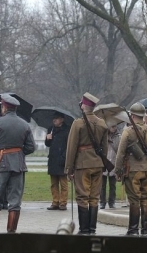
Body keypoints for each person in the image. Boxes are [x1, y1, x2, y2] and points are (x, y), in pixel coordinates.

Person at [0, 94, 36, 233]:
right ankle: (11, 233)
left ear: (4, 107)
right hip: (18, 165)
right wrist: (18, 153)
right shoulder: (24, 124)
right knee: (15, 202)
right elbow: (31, 147)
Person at [64, 92, 108, 235]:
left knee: (82, 197)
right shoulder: (102, 123)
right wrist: (103, 163)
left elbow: (71, 147)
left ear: (83, 106)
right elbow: (105, 148)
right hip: (98, 164)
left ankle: (84, 230)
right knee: (94, 197)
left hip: (82, 164)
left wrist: (69, 168)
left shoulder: (78, 123)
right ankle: (92, 229)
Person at [116, 103, 147, 236]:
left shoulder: (128, 131)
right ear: (143, 116)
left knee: (134, 200)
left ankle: (133, 230)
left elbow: (120, 153)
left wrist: (117, 170)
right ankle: (145, 231)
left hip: (133, 170)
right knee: (145, 199)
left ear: (132, 116)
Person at [44, 111, 70, 211]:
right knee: (53, 184)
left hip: (62, 159)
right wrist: (48, 139)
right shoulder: (51, 129)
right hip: (53, 159)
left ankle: (63, 203)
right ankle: (55, 202)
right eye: (53, 118)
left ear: (62, 119)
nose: (54, 120)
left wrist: (64, 157)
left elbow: (69, 145)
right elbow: (47, 144)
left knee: (63, 184)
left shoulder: (67, 130)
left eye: (57, 118)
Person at [100, 120, 120, 209]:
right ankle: (102, 202)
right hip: (104, 161)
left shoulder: (118, 136)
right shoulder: (102, 135)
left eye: (115, 126)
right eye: (112, 126)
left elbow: (119, 149)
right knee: (102, 185)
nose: (114, 128)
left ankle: (112, 202)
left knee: (112, 185)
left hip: (113, 162)